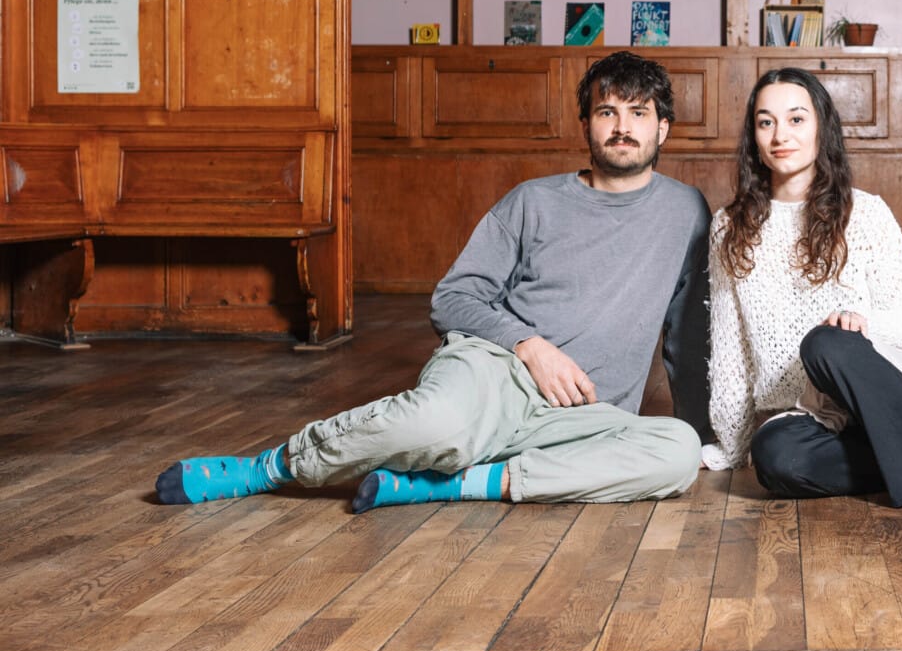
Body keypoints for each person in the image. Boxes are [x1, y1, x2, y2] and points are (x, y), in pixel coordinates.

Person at [156, 51, 710, 512]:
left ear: (662, 127)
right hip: (498, 375)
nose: (622, 127)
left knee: (679, 452)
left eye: (638, 113)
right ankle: (274, 466)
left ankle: (465, 482)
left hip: (588, 416)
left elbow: (686, 333)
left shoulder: (686, 211)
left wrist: (707, 431)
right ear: (585, 124)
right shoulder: (533, 201)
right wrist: (530, 346)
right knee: (434, 425)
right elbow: (452, 298)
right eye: (607, 111)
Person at [703, 67, 902, 521]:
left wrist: (862, 325)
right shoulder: (729, 226)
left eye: (796, 119)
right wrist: (733, 447)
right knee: (775, 456)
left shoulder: (866, 212)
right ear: (753, 136)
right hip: (815, 420)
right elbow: (730, 349)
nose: (780, 135)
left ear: (821, 127)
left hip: (896, 390)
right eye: (765, 122)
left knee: (825, 341)